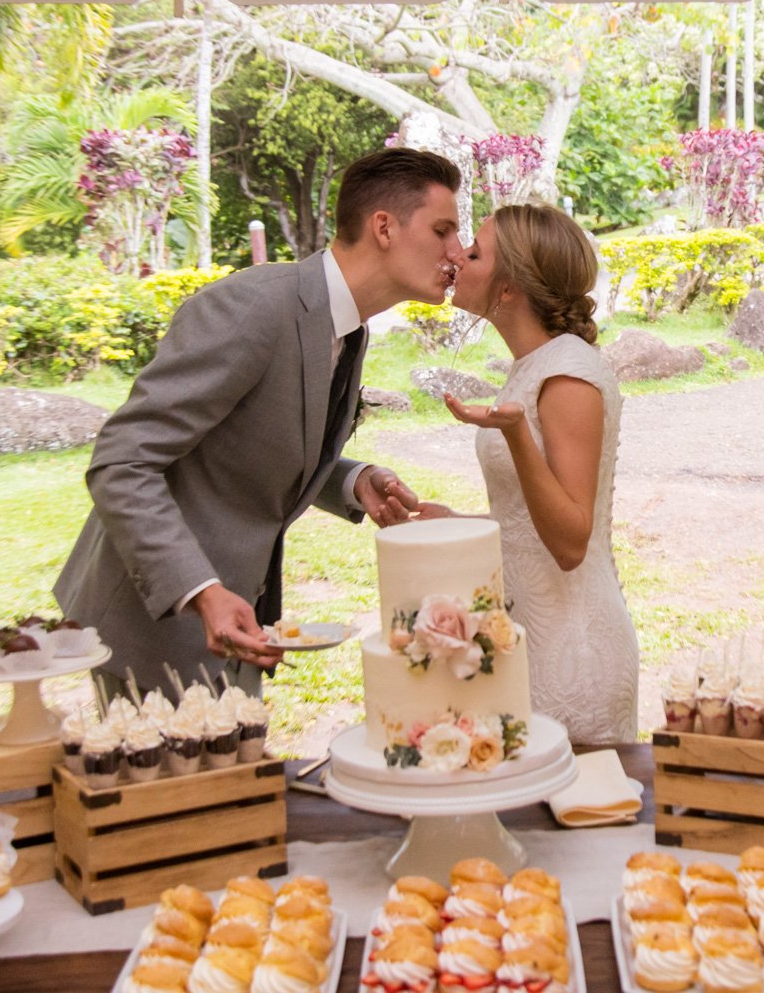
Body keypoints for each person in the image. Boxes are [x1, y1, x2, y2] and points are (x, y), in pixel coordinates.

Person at [55, 148, 463, 697]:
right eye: (443, 231)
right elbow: (122, 461)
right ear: (384, 227)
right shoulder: (254, 308)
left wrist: (349, 478)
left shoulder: (351, 328)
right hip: (158, 627)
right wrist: (201, 591)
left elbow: (253, 439)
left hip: (236, 624)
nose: (457, 253)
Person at [414, 204, 638, 743]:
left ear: (509, 286)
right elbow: (525, 522)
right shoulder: (534, 364)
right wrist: (454, 524)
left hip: (572, 654)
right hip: (527, 639)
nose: (457, 259)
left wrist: (515, 435)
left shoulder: (568, 372)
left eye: (473, 253)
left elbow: (569, 541)